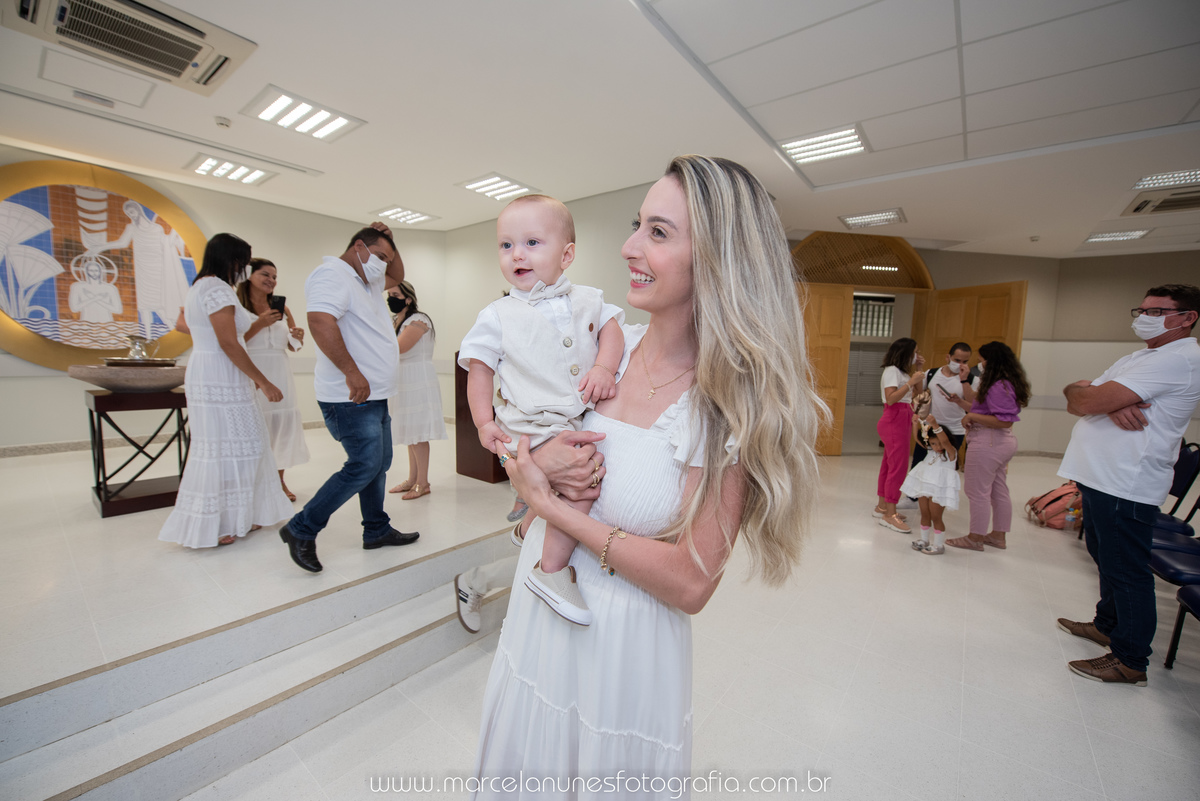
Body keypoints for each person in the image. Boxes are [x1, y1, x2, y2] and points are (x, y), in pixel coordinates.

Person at [469, 155, 826, 796]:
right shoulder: (608, 347)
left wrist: (554, 510)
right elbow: (517, 427)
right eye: (638, 225)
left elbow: (691, 581)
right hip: (537, 620)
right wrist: (533, 461)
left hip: (621, 655)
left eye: (659, 233)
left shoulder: (724, 407)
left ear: (716, 260)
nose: (630, 245)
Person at [459, 194, 625, 626]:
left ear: (566, 254)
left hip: (575, 418)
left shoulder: (590, 299)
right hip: (531, 424)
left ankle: (524, 530)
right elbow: (479, 372)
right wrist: (483, 422)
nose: (517, 254)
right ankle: (550, 572)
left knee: (558, 490)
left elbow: (613, 333)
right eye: (506, 245)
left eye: (532, 242)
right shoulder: (497, 314)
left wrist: (605, 366)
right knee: (582, 485)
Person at [1056, 284, 1200, 686]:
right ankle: (1108, 624)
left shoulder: (1182, 358)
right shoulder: (1140, 356)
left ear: (1187, 317)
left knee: (1127, 568)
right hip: (1102, 475)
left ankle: (1130, 659)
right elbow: (1075, 395)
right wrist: (1102, 398)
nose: (1145, 316)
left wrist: (1099, 399)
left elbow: (1085, 403)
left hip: (1127, 480)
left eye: (1157, 311)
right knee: (1102, 551)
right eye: (1143, 309)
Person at [279, 224, 418, 573]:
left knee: (379, 462)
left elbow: (397, 273)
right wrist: (352, 372)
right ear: (359, 247)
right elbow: (320, 321)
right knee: (364, 464)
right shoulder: (333, 274)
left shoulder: (366, 279)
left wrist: (391, 246)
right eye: (380, 256)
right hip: (349, 395)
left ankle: (376, 530)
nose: (385, 264)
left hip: (375, 394)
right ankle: (301, 528)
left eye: (387, 257)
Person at [159, 234, 292, 548]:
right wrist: (264, 381)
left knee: (232, 444)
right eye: (244, 262)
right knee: (229, 445)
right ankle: (218, 523)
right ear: (232, 260)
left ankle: (238, 515)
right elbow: (229, 342)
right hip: (220, 372)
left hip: (211, 369)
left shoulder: (201, 287)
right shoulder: (216, 288)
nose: (245, 268)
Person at [946, 341, 1030, 552]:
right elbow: (978, 405)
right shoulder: (999, 383)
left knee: (977, 491)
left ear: (992, 361)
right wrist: (963, 390)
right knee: (997, 490)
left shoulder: (999, 385)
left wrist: (972, 415)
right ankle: (998, 536)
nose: (979, 363)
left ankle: (975, 538)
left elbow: (1004, 420)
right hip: (998, 442)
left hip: (989, 442)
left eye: (982, 359)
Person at [238, 258, 310, 501]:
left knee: (281, 430)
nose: (271, 280)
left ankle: (278, 482)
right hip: (252, 371)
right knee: (255, 430)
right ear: (249, 275)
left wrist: (296, 336)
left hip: (280, 371)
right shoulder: (236, 307)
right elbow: (232, 343)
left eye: (274, 277)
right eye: (265, 275)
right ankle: (254, 485)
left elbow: (293, 347)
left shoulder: (282, 308)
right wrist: (259, 323)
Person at [385, 281, 447, 499]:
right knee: (410, 433)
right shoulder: (396, 321)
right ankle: (412, 479)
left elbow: (399, 347)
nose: (390, 298)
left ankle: (423, 483)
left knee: (418, 433)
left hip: (417, 379)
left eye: (395, 294)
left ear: (408, 298)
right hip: (402, 379)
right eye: (389, 294)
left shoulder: (419, 320)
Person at [874, 337, 925, 533]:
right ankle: (890, 514)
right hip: (894, 417)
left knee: (889, 464)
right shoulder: (891, 371)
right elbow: (891, 398)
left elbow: (918, 394)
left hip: (903, 416)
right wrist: (910, 382)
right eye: (915, 353)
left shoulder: (902, 372)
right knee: (898, 467)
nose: (916, 356)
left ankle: (883, 506)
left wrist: (916, 373)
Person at [908, 342, 976, 470]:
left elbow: (975, 408)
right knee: (919, 466)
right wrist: (919, 368)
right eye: (957, 360)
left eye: (965, 361)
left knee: (945, 468)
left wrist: (958, 400)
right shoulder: (932, 373)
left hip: (955, 429)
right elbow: (918, 391)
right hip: (929, 427)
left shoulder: (972, 379)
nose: (960, 364)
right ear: (948, 357)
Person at [900, 414, 960, 555]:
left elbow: (945, 442)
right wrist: (915, 424)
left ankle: (939, 545)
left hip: (938, 491)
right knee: (925, 515)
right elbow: (918, 439)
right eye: (934, 443)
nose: (937, 446)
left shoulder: (951, 453)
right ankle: (924, 540)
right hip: (925, 488)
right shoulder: (930, 452)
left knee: (936, 517)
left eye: (939, 443)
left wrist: (935, 425)